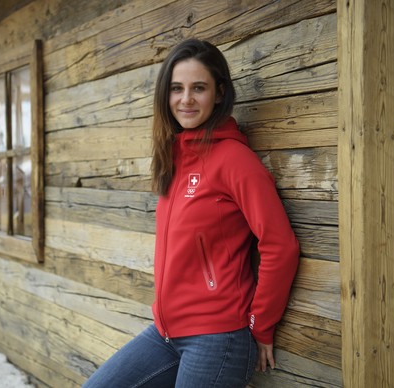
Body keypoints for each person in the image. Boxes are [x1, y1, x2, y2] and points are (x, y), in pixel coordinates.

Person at [83, 38, 299, 388]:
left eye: (198, 88)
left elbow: (280, 245)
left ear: (219, 93)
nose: (186, 99)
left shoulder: (234, 160)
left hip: (217, 337)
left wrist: (262, 324)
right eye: (176, 89)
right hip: (166, 333)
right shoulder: (175, 156)